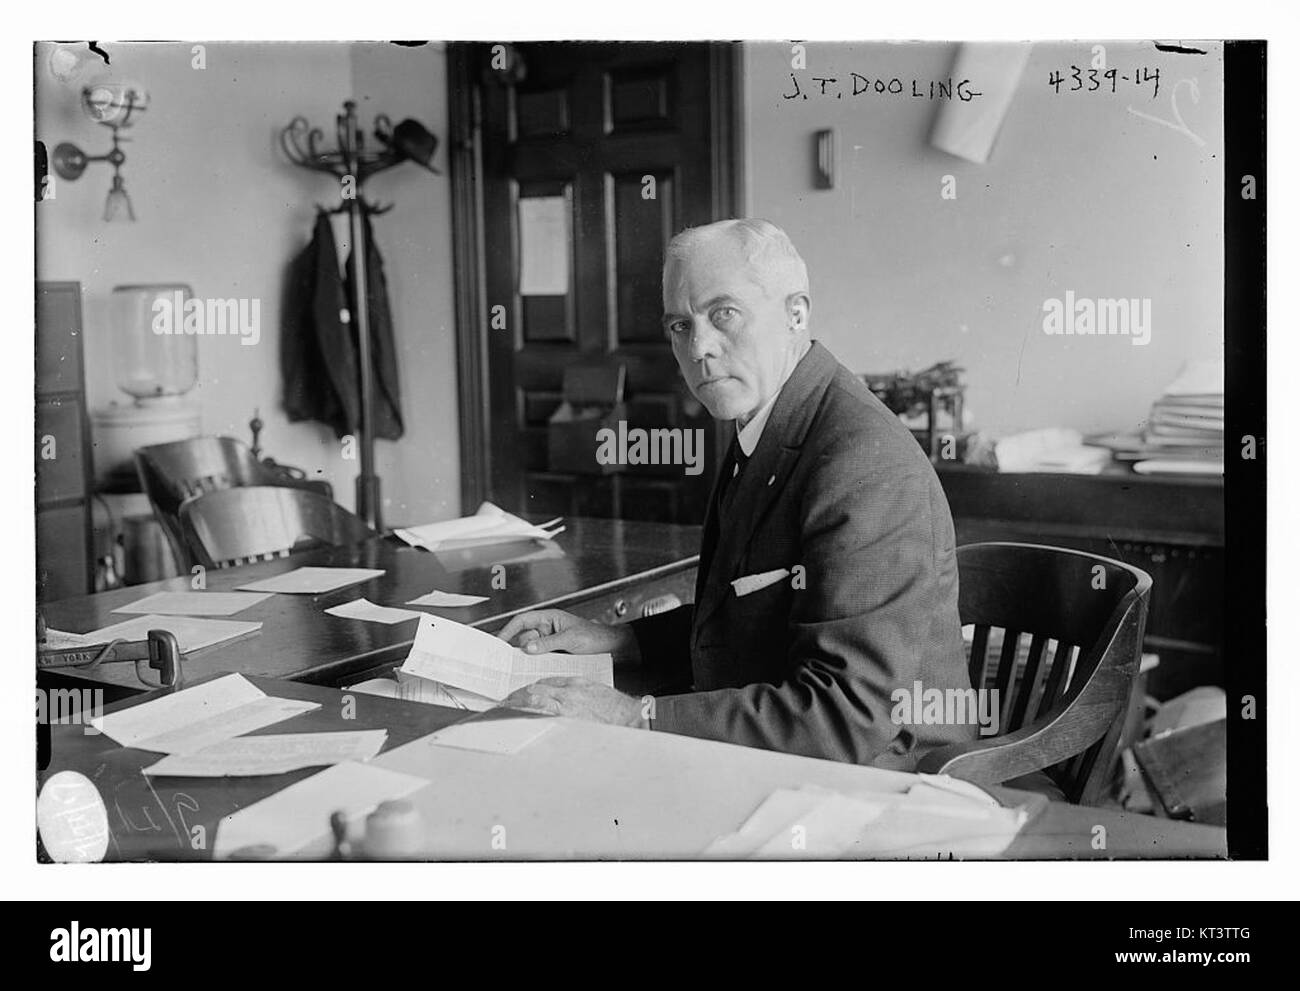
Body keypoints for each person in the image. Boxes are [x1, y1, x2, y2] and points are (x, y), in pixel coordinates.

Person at [497, 218, 976, 769]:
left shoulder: (864, 463)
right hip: (796, 751)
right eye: (680, 325)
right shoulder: (772, 419)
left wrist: (637, 715)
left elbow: (848, 714)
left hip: (886, 777)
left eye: (724, 314)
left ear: (797, 313)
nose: (700, 348)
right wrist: (619, 639)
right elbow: (753, 614)